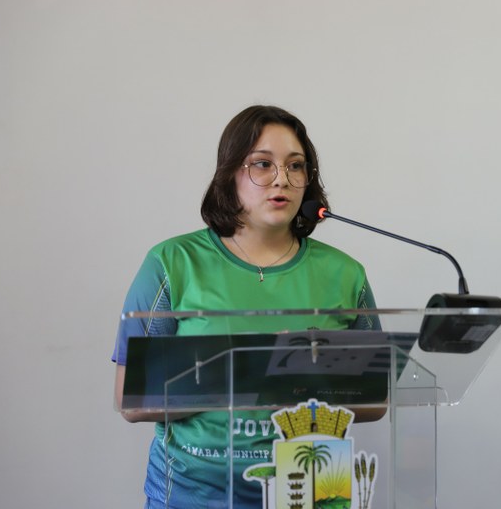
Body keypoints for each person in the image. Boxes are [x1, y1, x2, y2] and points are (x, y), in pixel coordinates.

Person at [111, 105, 380, 508]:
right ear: (230, 173)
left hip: (310, 491)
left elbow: (376, 400)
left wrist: (308, 380)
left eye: (296, 166)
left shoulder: (345, 273)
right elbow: (129, 400)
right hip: (194, 496)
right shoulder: (171, 263)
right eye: (262, 164)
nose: (282, 179)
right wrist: (249, 371)